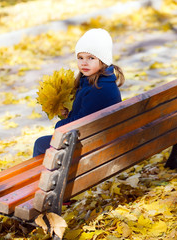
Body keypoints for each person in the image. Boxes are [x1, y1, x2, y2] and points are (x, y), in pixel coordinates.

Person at [33, 28, 125, 157]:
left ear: (103, 60)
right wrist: (69, 115)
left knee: (40, 144)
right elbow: (87, 115)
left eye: (91, 58)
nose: (84, 63)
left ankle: (40, 177)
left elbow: (78, 124)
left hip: (90, 146)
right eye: (80, 57)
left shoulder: (97, 88)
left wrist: (60, 125)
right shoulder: (102, 82)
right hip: (100, 140)